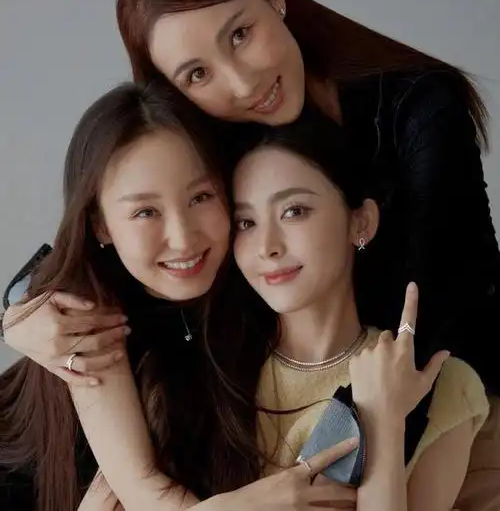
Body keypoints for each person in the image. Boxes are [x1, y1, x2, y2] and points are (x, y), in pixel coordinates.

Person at [2, 0, 500, 507]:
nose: (242, 83)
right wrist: (22, 307)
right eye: (197, 74)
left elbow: (443, 307)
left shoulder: (416, 108)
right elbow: (105, 247)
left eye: (240, 34)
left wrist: (320, 466)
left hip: (424, 387)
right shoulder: (215, 141)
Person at [72, 105, 489, 511]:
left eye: (294, 211)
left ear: (360, 222)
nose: (267, 246)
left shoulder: (438, 384)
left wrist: (382, 422)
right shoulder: (188, 378)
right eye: (246, 223)